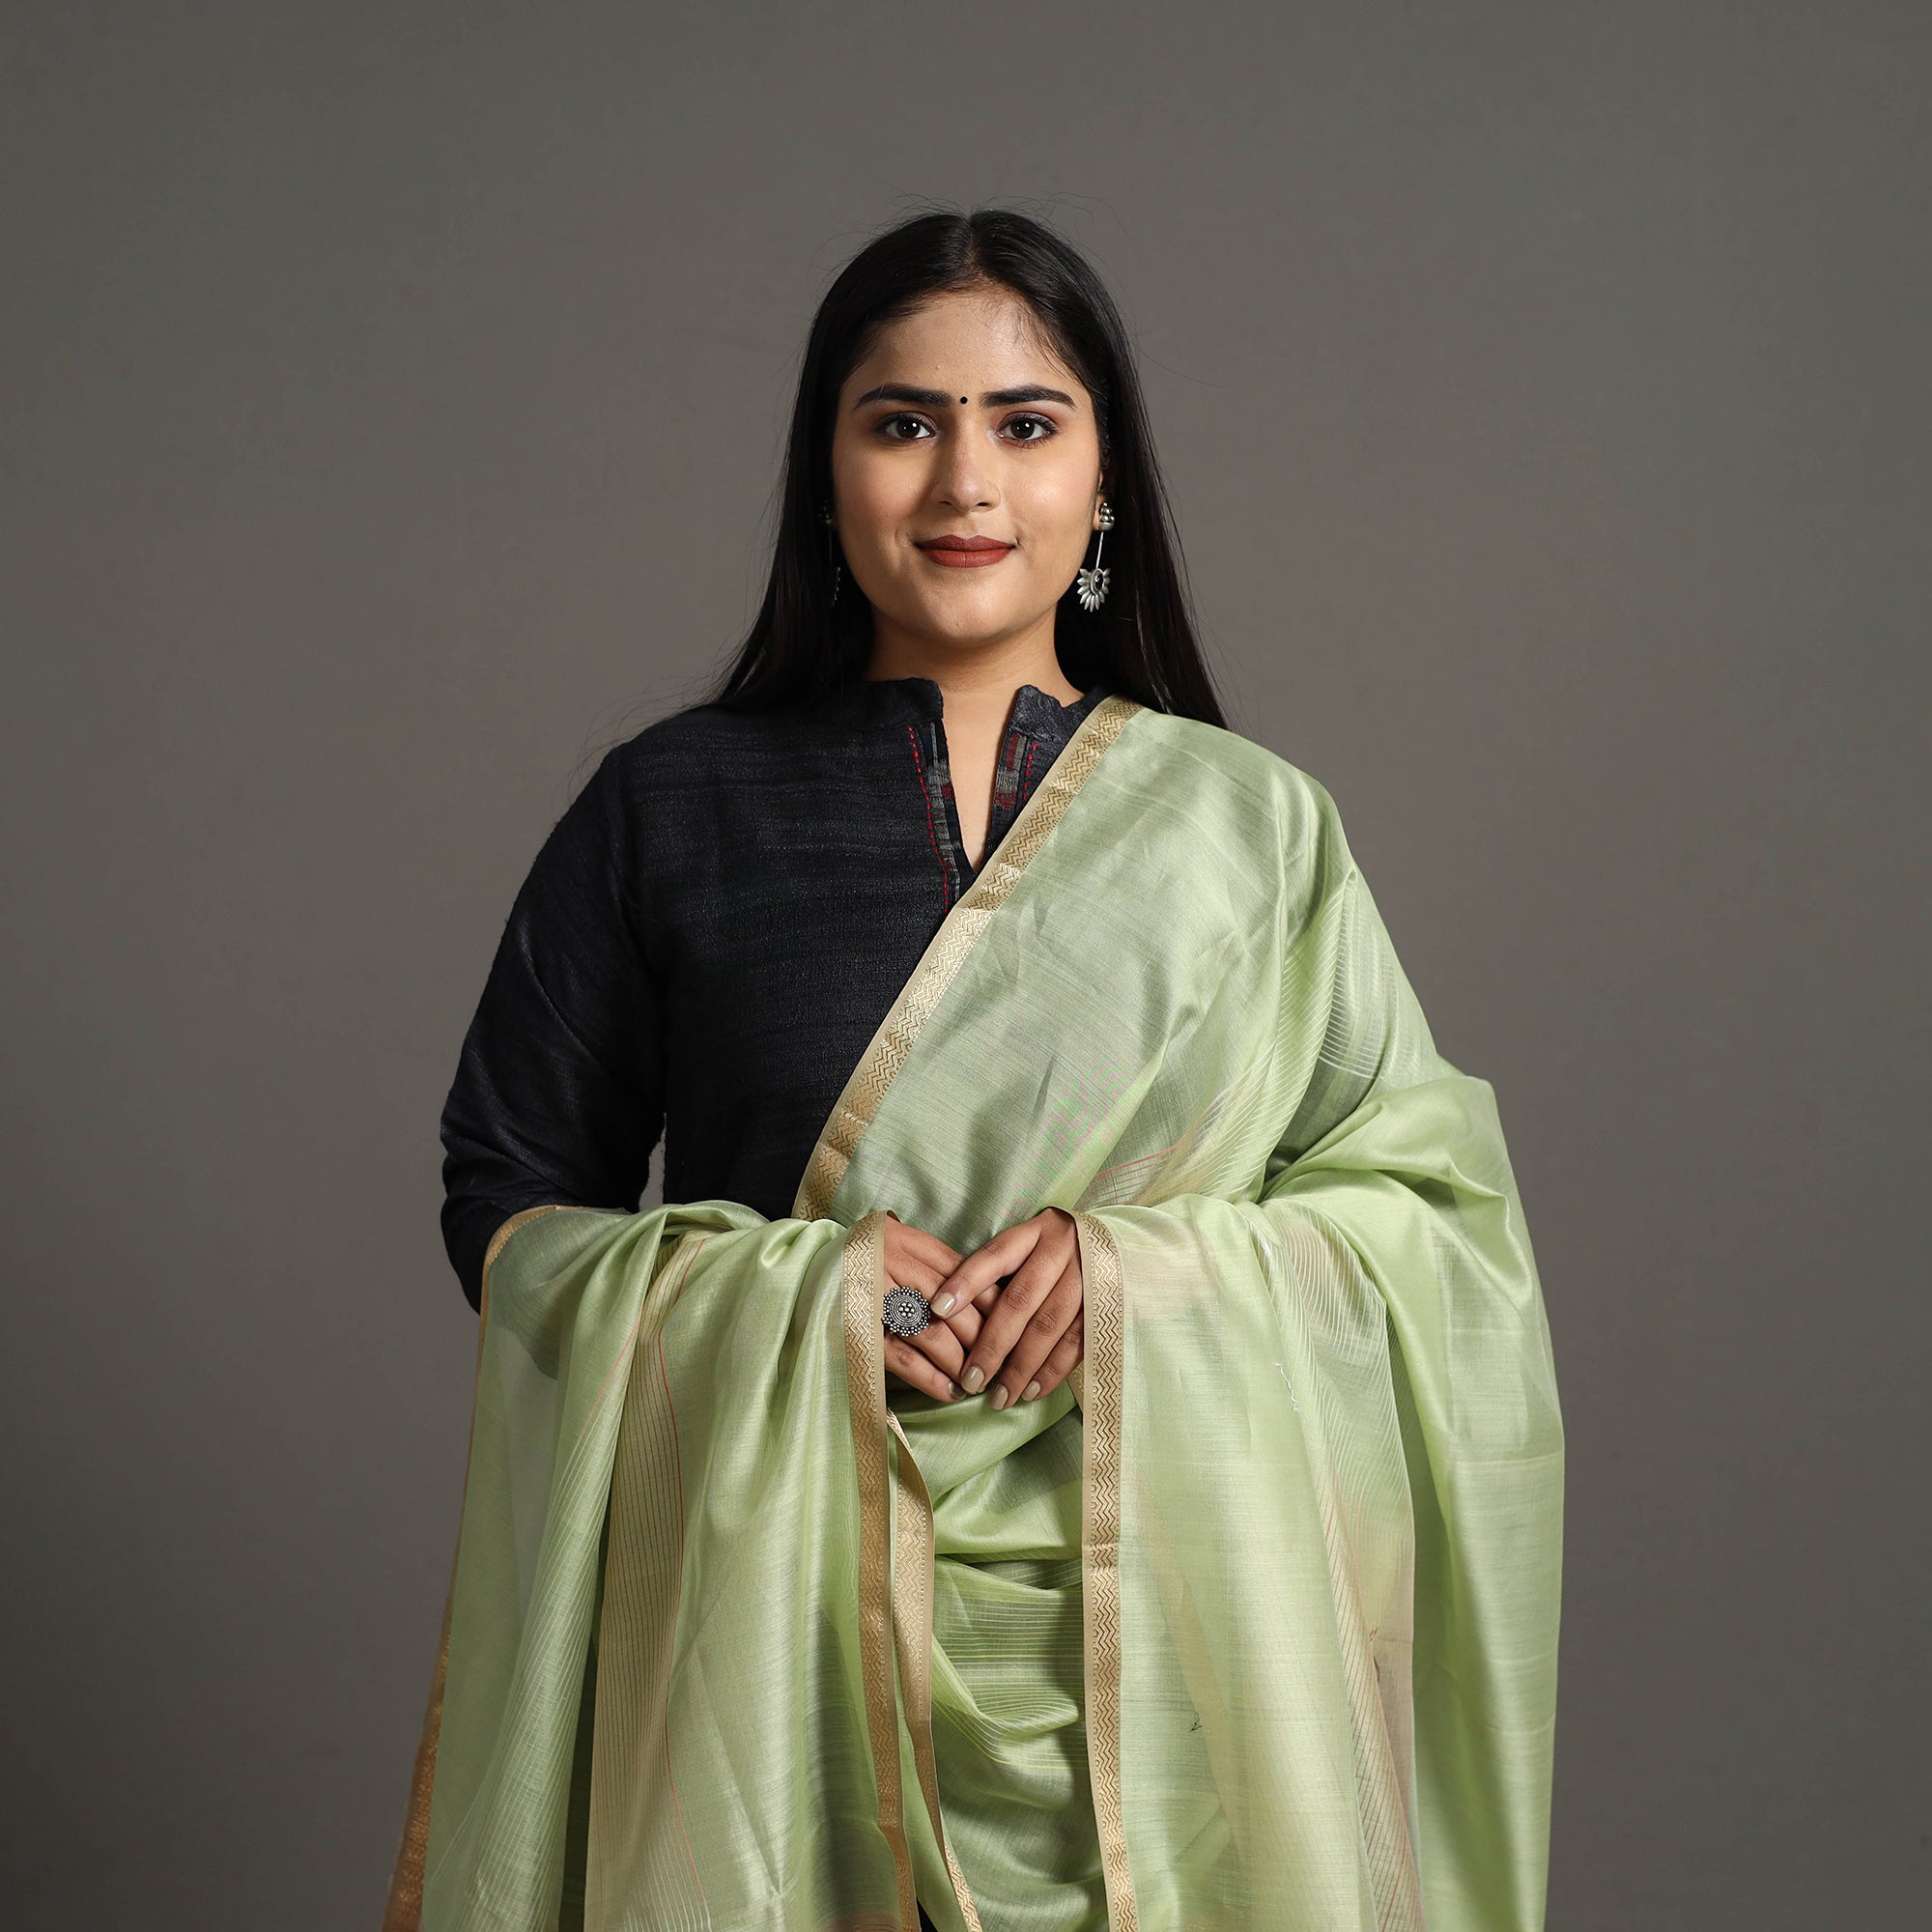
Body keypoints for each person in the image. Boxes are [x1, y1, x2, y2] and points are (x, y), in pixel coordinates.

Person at [384, 208, 1565, 1932]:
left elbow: (1432, 1226)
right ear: (827, 472)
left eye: (1025, 422)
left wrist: (1146, 1276)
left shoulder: (1250, 830)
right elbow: (508, 1200)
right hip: (765, 1689)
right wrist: (804, 1305)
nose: (965, 484)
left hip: (1171, 1711)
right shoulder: (670, 806)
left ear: (1104, 482)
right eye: (902, 423)